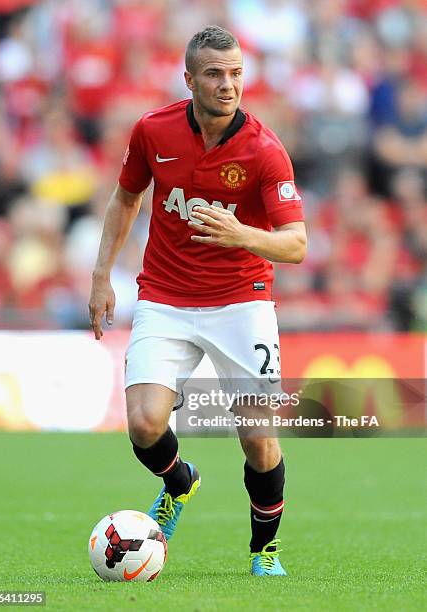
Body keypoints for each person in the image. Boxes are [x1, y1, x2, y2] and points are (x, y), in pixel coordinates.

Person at [89, 25, 306, 577]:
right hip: (165, 295)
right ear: (189, 79)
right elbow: (125, 198)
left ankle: (264, 552)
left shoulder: (263, 149)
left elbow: (297, 243)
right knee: (142, 425)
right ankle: (179, 480)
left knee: (258, 439)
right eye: (214, 74)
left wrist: (244, 236)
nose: (228, 84)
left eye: (235, 73)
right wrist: (100, 276)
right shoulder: (153, 130)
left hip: (242, 302)